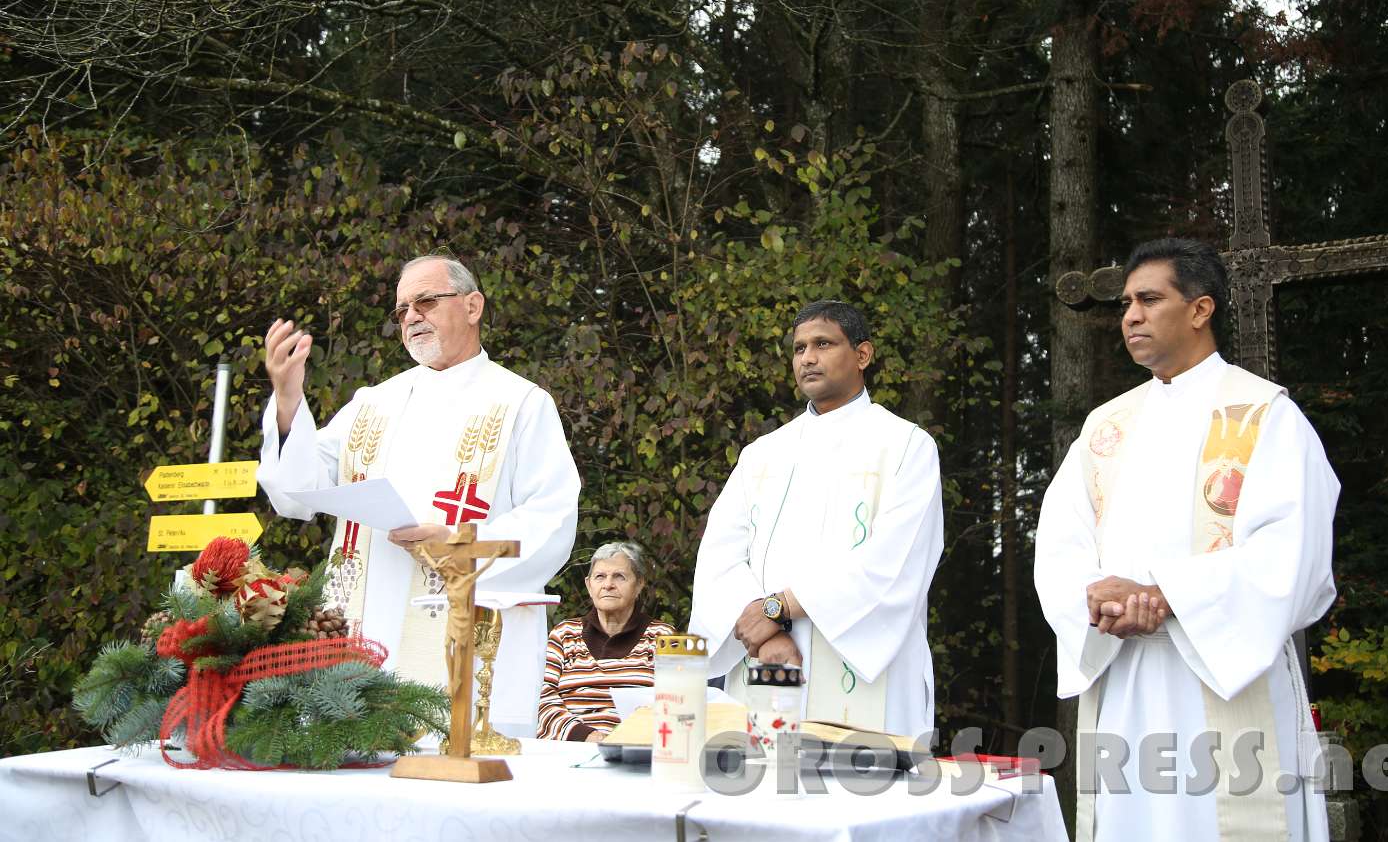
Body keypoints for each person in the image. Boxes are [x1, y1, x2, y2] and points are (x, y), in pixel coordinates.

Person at [1033, 237, 1337, 842]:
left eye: (1150, 299)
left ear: (1201, 309)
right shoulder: (1106, 428)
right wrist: (1099, 601)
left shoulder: (1264, 416)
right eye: (1125, 303)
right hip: (1124, 679)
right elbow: (1060, 545)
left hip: (1224, 673)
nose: (1131, 316)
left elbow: (1294, 558)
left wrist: (1166, 596)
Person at [256, 254, 580, 737]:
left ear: (473, 306)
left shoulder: (521, 403)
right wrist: (287, 400)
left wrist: (456, 544)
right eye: (402, 309)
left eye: (425, 301)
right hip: (362, 631)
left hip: (463, 636)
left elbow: (553, 516)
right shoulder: (373, 403)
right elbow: (297, 492)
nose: (410, 316)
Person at [688, 300, 944, 738]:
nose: (807, 357)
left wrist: (779, 608)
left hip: (864, 672)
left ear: (862, 355)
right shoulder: (763, 454)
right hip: (767, 663)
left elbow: (895, 563)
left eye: (823, 344)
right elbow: (719, 557)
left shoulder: (906, 446)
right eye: (799, 347)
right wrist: (768, 633)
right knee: (758, 791)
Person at [537, 542, 676, 742]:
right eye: (600, 576)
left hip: (636, 750)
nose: (608, 584)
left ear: (639, 585)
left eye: (619, 576)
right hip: (570, 748)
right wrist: (586, 736)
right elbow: (545, 699)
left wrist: (624, 740)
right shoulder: (564, 634)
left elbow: (673, 702)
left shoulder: (663, 637)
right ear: (589, 585)